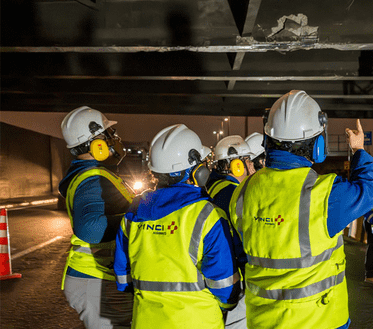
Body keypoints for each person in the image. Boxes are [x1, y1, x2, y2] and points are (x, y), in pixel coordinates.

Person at [229, 90, 373, 329]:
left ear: (268, 141)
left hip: (262, 320)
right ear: (317, 144)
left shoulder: (243, 192)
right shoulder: (325, 194)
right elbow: (369, 192)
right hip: (321, 320)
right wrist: (359, 150)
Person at [113, 124, 241, 329]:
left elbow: (123, 279)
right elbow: (225, 288)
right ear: (196, 169)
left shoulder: (134, 212)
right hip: (197, 322)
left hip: (145, 321)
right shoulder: (207, 215)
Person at [58, 106, 134, 329]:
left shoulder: (93, 174)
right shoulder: (92, 178)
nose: (114, 140)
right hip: (97, 278)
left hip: (98, 278)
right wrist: (135, 219)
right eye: (108, 135)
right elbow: (89, 228)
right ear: (96, 144)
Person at [207, 135, 253, 329]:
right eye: (248, 161)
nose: (252, 167)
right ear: (237, 165)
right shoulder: (234, 193)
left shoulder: (215, 186)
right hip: (234, 279)